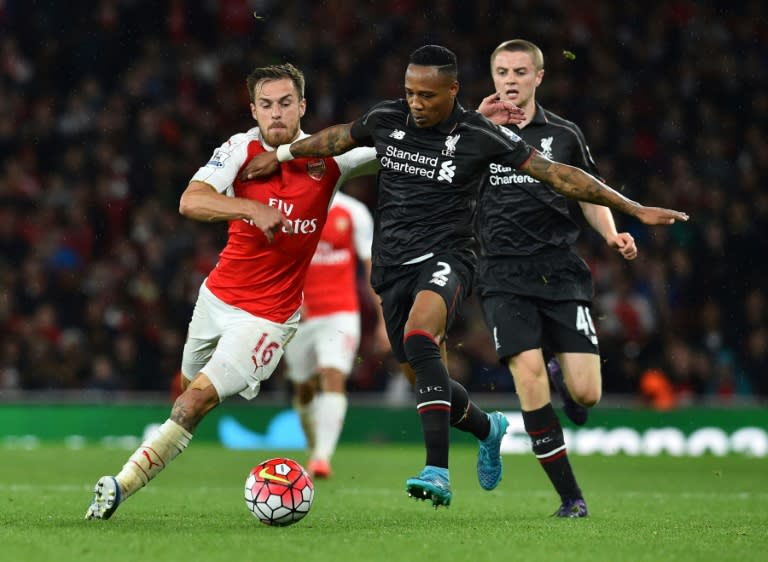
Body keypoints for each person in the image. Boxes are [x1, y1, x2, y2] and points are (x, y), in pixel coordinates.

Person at [241, 45, 688, 508]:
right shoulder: (387, 118)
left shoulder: (479, 134)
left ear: (453, 90)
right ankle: (487, 427)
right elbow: (337, 138)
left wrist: (632, 209)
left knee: (421, 338)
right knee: (422, 374)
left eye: (427, 96)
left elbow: (558, 175)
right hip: (393, 265)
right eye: (410, 93)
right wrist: (284, 153)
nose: (416, 103)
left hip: (451, 257)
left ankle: (437, 469)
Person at [84, 62, 378, 520]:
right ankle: (184, 425)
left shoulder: (330, 158)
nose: (276, 114)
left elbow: (398, 143)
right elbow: (190, 200)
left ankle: (116, 489)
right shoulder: (239, 149)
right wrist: (248, 209)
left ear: (302, 106)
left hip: (270, 317)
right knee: (185, 391)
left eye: (285, 103)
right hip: (217, 299)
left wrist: (470, 126)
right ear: (254, 109)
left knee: (193, 401)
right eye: (266, 105)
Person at [474, 39, 640, 518]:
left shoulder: (564, 134)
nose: (510, 80)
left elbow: (588, 193)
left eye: (520, 72)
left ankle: (559, 374)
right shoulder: (475, 134)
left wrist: (611, 234)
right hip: (502, 273)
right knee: (526, 377)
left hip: (561, 272)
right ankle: (571, 497)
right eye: (502, 71)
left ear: (538, 77)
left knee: (587, 394)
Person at [284, 189, 389, 479]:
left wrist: (383, 321)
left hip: (340, 312)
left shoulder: (353, 212)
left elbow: (372, 271)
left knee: (333, 375)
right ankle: (314, 442)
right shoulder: (291, 208)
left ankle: (321, 457)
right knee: (303, 387)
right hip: (297, 315)